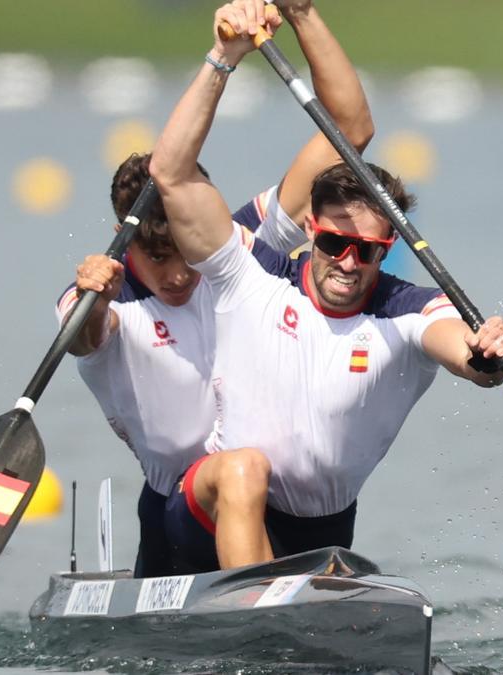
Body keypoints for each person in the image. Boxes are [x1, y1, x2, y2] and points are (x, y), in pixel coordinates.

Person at [149, 0, 503, 571]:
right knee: (246, 468)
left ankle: (275, 611)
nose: (347, 262)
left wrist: (484, 354)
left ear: (387, 249)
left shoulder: (407, 311)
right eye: (331, 244)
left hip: (317, 534)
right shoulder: (249, 268)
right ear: (308, 231)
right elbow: (170, 174)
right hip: (209, 510)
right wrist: (223, 58)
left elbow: (462, 351)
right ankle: (261, 618)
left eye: (367, 251)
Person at [57, 0, 375, 577]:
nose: (179, 275)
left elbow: (350, 131)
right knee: (241, 467)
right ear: (122, 244)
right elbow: (82, 340)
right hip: (184, 517)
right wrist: (94, 295)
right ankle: (260, 616)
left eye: (187, 255)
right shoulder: (106, 294)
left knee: (254, 469)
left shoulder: (238, 248)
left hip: (289, 510)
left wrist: (302, 13)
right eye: (156, 258)